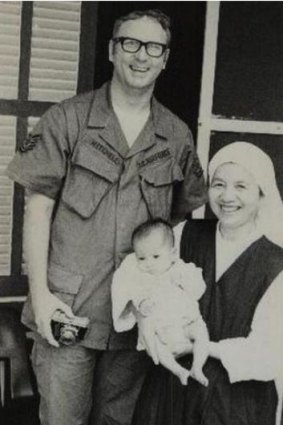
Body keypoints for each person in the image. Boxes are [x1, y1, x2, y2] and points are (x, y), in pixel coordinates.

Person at [5, 9, 206, 425]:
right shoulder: (68, 119)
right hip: (69, 310)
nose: (141, 56)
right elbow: (37, 207)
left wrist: (171, 294)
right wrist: (39, 293)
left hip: (137, 316)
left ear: (165, 59)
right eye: (130, 43)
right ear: (112, 51)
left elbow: (181, 216)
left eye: (154, 47)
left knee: (118, 421)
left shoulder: (177, 136)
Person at [133, 141, 283, 425]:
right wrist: (144, 318)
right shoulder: (182, 234)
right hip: (172, 394)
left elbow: (269, 353)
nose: (227, 196)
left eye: (241, 186)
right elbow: (137, 277)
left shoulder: (277, 265)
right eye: (218, 184)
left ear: (262, 195)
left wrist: (197, 347)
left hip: (236, 405)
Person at [112, 218, 209, 387]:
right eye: (142, 258)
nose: (149, 263)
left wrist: (184, 280)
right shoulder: (141, 277)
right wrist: (142, 303)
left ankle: (198, 366)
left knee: (201, 333)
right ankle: (177, 370)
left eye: (156, 256)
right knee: (156, 345)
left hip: (187, 320)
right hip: (161, 326)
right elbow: (134, 294)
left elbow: (199, 289)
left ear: (172, 253)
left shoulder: (182, 269)